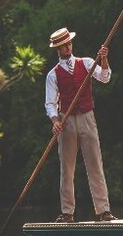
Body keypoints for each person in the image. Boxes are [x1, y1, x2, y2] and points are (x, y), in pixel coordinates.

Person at [45, 27, 117, 223]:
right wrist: (55, 121)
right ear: (57, 50)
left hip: (87, 117)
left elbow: (105, 77)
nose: (68, 47)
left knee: (95, 163)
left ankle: (103, 211)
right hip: (66, 121)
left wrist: (103, 59)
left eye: (69, 43)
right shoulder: (53, 75)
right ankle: (67, 213)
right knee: (66, 168)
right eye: (63, 46)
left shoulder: (86, 63)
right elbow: (50, 103)